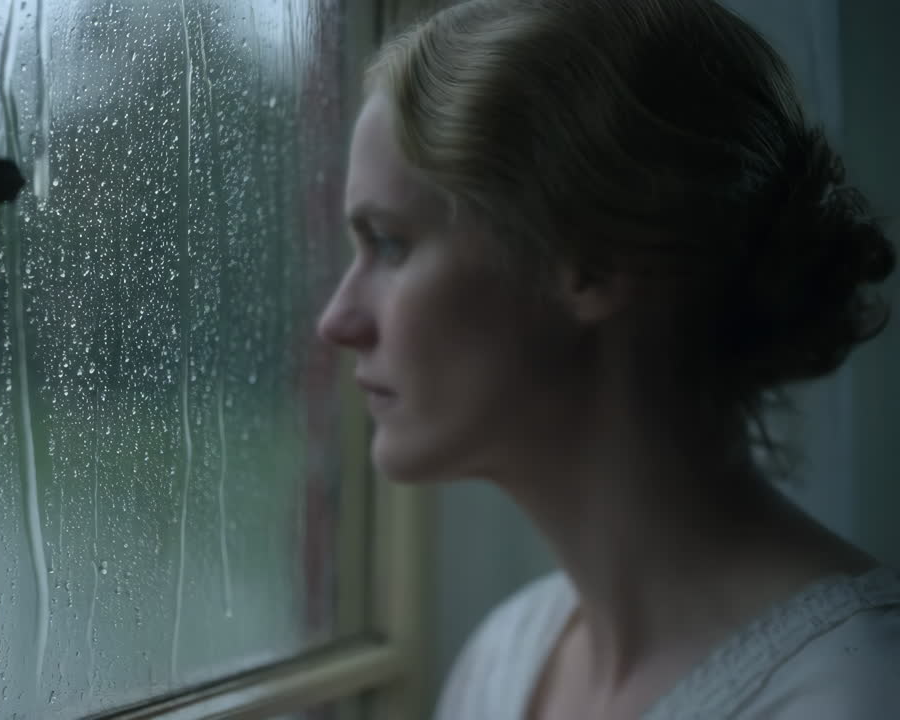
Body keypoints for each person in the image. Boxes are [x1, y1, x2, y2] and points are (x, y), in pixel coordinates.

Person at [315, 0, 899, 718]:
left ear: (592, 260)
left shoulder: (854, 693)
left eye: (391, 243)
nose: (337, 321)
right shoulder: (501, 660)